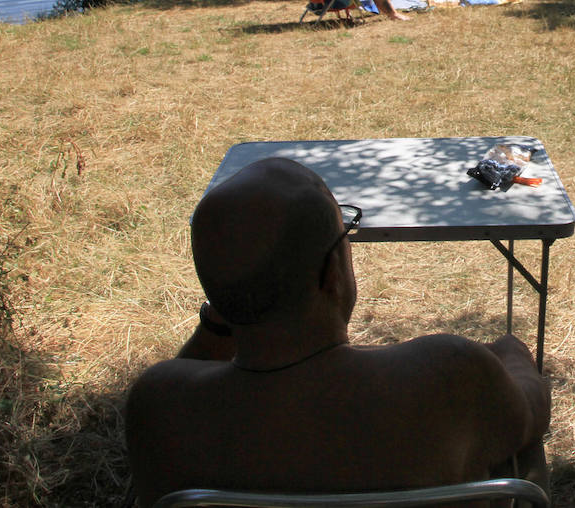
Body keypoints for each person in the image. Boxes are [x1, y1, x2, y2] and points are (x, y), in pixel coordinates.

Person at [125, 157, 550, 508]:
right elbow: (534, 412)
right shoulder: (451, 373)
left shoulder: (157, 406)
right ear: (332, 271)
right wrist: (510, 351)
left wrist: (234, 302)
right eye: (345, 230)